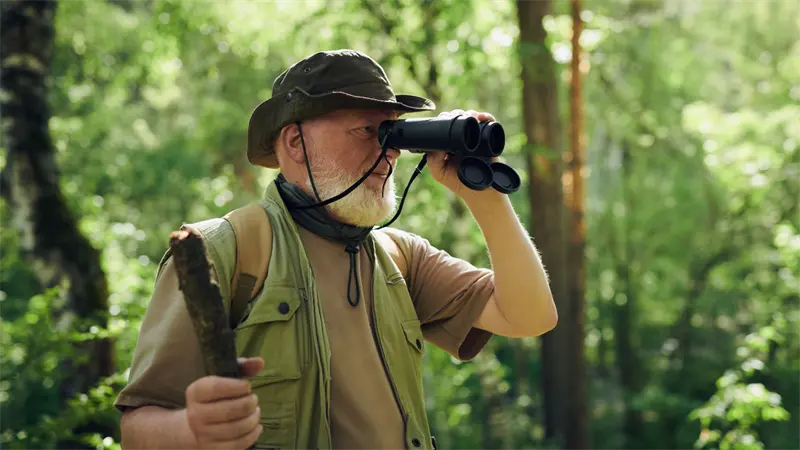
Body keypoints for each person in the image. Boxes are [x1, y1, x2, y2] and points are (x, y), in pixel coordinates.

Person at [115, 49, 557, 450]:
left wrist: (485, 197)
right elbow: (137, 429)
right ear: (295, 143)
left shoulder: (398, 258)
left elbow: (530, 316)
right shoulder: (223, 251)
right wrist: (192, 430)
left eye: (393, 134)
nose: (389, 153)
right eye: (368, 131)